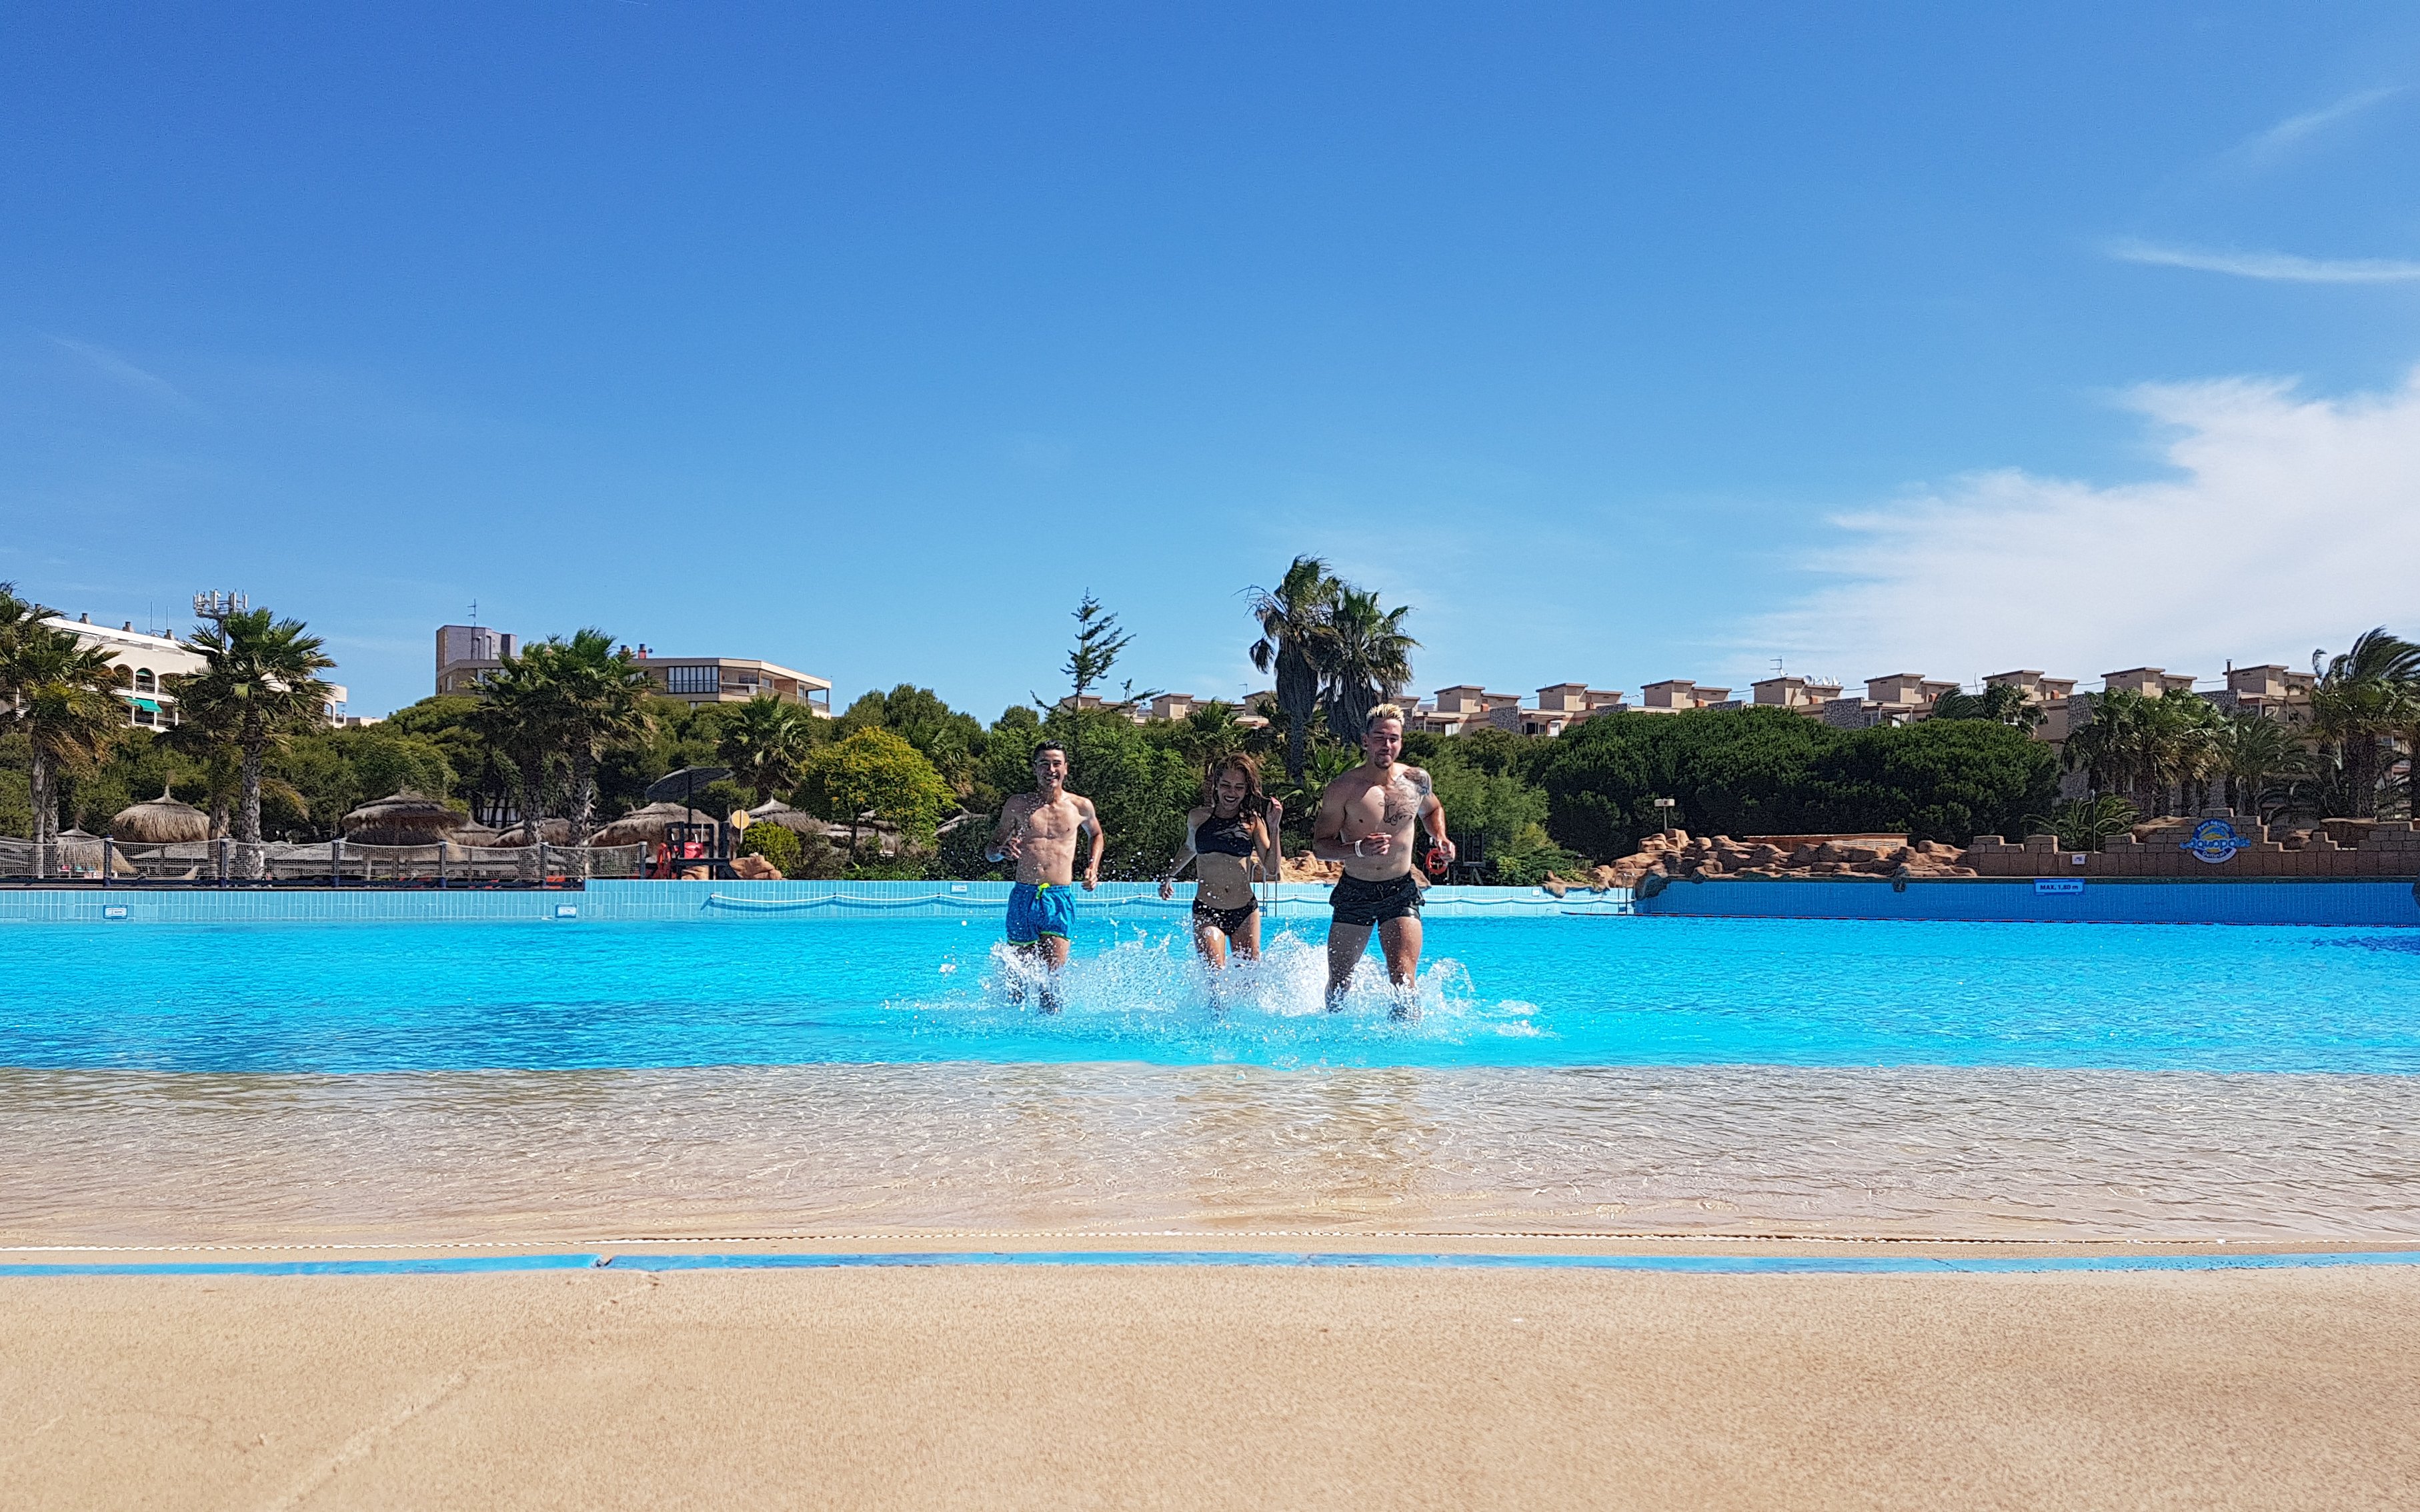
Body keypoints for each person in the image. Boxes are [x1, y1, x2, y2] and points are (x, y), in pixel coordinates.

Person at [1310, 703, 1452, 1017]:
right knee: (1340, 981)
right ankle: (1334, 1038)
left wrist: (1439, 837)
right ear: (1365, 741)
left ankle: (1402, 1057)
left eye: (1393, 739)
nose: (1386, 745)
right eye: (1379, 737)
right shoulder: (1343, 788)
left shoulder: (1417, 780)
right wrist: (1359, 849)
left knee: (1403, 978)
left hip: (1399, 889)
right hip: (1355, 890)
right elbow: (1321, 846)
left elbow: (1432, 810)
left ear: (1400, 743)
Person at [984, 742, 1102, 1010]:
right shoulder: (1017, 805)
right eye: (1044, 764)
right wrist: (1001, 852)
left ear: (1066, 769)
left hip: (1058, 898)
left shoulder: (1080, 806)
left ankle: (1050, 1047)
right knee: (1018, 986)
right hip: (1024, 897)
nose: (1051, 770)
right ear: (1035, 769)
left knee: (1051, 981)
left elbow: (1096, 834)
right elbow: (991, 850)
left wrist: (1092, 867)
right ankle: (1016, 1044)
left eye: (1056, 764)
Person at [1158, 754, 1280, 967]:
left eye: (1239, 787)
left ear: (1246, 790)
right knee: (1215, 977)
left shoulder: (1252, 822)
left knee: (1248, 982)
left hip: (1245, 911)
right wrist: (1170, 876)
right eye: (1226, 785)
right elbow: (1189, 847)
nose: (1231, 793)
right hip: (1207, 911)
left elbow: (1271, 869)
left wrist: (1274, 827)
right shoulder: (1198, 818)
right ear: (1216, 785)